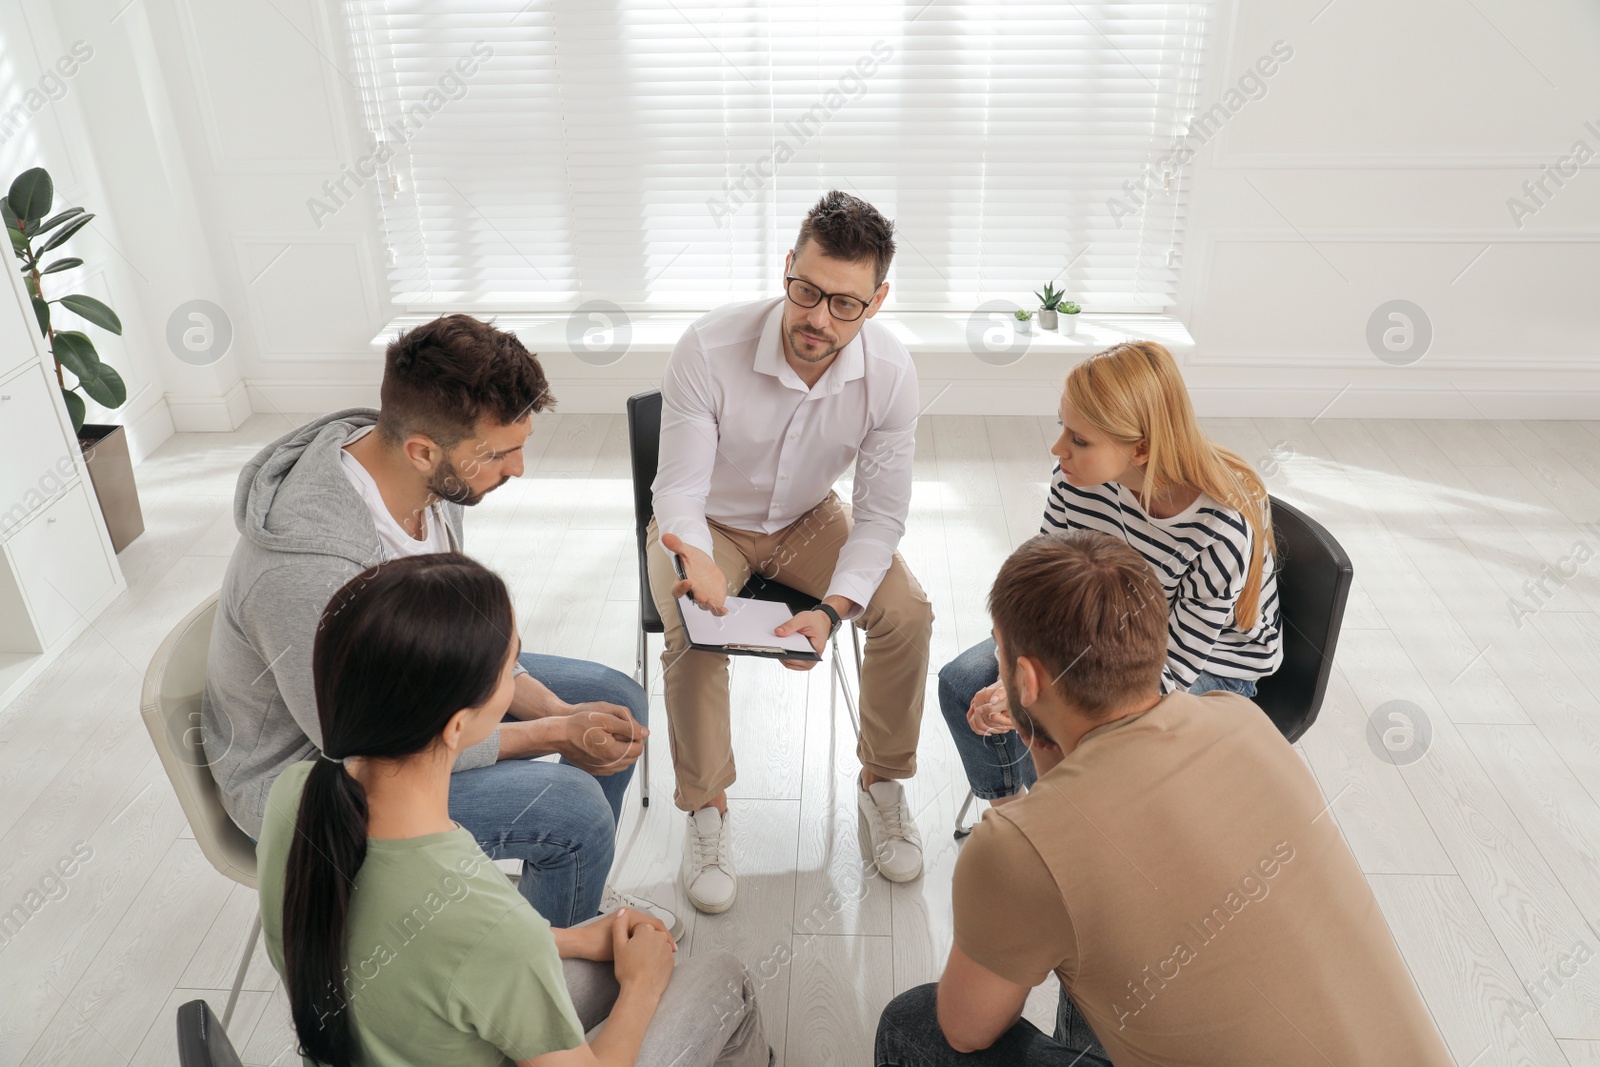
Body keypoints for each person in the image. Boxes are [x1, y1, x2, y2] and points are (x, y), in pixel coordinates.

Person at [876, 532, 1453, 1066]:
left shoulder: (1017, 848)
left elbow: (965, 1030)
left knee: (913, 1025)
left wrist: (1034, 737)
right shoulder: (1243, 721)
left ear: (1024, 681)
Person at [203, 314, 676, 934]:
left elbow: (467, 630)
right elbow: (367, 746)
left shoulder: (419, 477)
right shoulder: (306, 572)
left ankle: (565, 896)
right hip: (314, 783)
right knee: (575, 810)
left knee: (614, 697)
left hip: (411, 698)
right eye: (502, 453)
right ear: (424, 450)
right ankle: (540, 977)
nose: (519, 469)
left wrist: (559, 710)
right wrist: (553, 732)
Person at [257, 552, 771, 1067]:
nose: (518, 679)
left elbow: (441, 953)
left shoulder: (296, 796)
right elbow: (479, 943)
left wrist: (565, 939)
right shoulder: (487, 920)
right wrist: (641, 988)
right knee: (726, 980)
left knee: (593, 971)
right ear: (457, 727)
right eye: (510, 668)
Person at [649, 189, 934, 914]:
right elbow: (678, 489)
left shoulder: (892, 373)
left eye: (845, 303)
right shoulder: (708, 348)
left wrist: (834, 612)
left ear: (877, 300)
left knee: (906, 610)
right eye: (806, 291)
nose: (818, 317)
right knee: (692, 630)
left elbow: (880, 516)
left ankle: (883, 782)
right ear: (787, 269)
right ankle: (707, 808)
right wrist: (696, 559)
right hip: (707, 519)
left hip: (811, 517)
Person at [939, 339, 1282, 810]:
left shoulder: (1218, 532)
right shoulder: (1074, 481)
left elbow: (1173, 671)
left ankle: (1060, 832)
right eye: (1064, 427)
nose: (1058, 449)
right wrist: (1010, 673)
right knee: (962, 684)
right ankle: (1016, 821)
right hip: (1104, 631)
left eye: (1079, 440)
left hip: (1207, 664)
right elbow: (1041, 593)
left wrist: (1030, 696)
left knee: (1061, 728)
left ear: (1140, 449)